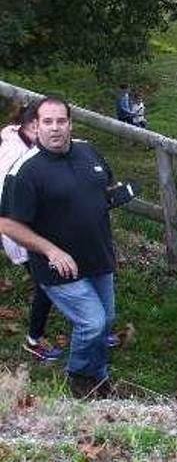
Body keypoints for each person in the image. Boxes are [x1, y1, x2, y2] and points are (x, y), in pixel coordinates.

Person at [0, 97, 125, 398]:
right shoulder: (25, 171)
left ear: (70, 123)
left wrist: (115, 196)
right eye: (47, 122)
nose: (55, 128)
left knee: (105, 321)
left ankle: (98, 377)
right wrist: (51, 250)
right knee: (92, 321)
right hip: (58, 266)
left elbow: (104, 187)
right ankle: (80, 376)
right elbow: (8, 224)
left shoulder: (87, 151)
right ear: (36, 126)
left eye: (61, 121)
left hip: (98, 258)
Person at [0, 105, 63, 362]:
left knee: (52, 281)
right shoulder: (13, 153)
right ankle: (33, 340)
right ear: (31, 126)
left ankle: (89, 325)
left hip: (35, 229)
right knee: (47, 284)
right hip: (21, 233)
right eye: (44, 126)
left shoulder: (21, 141)